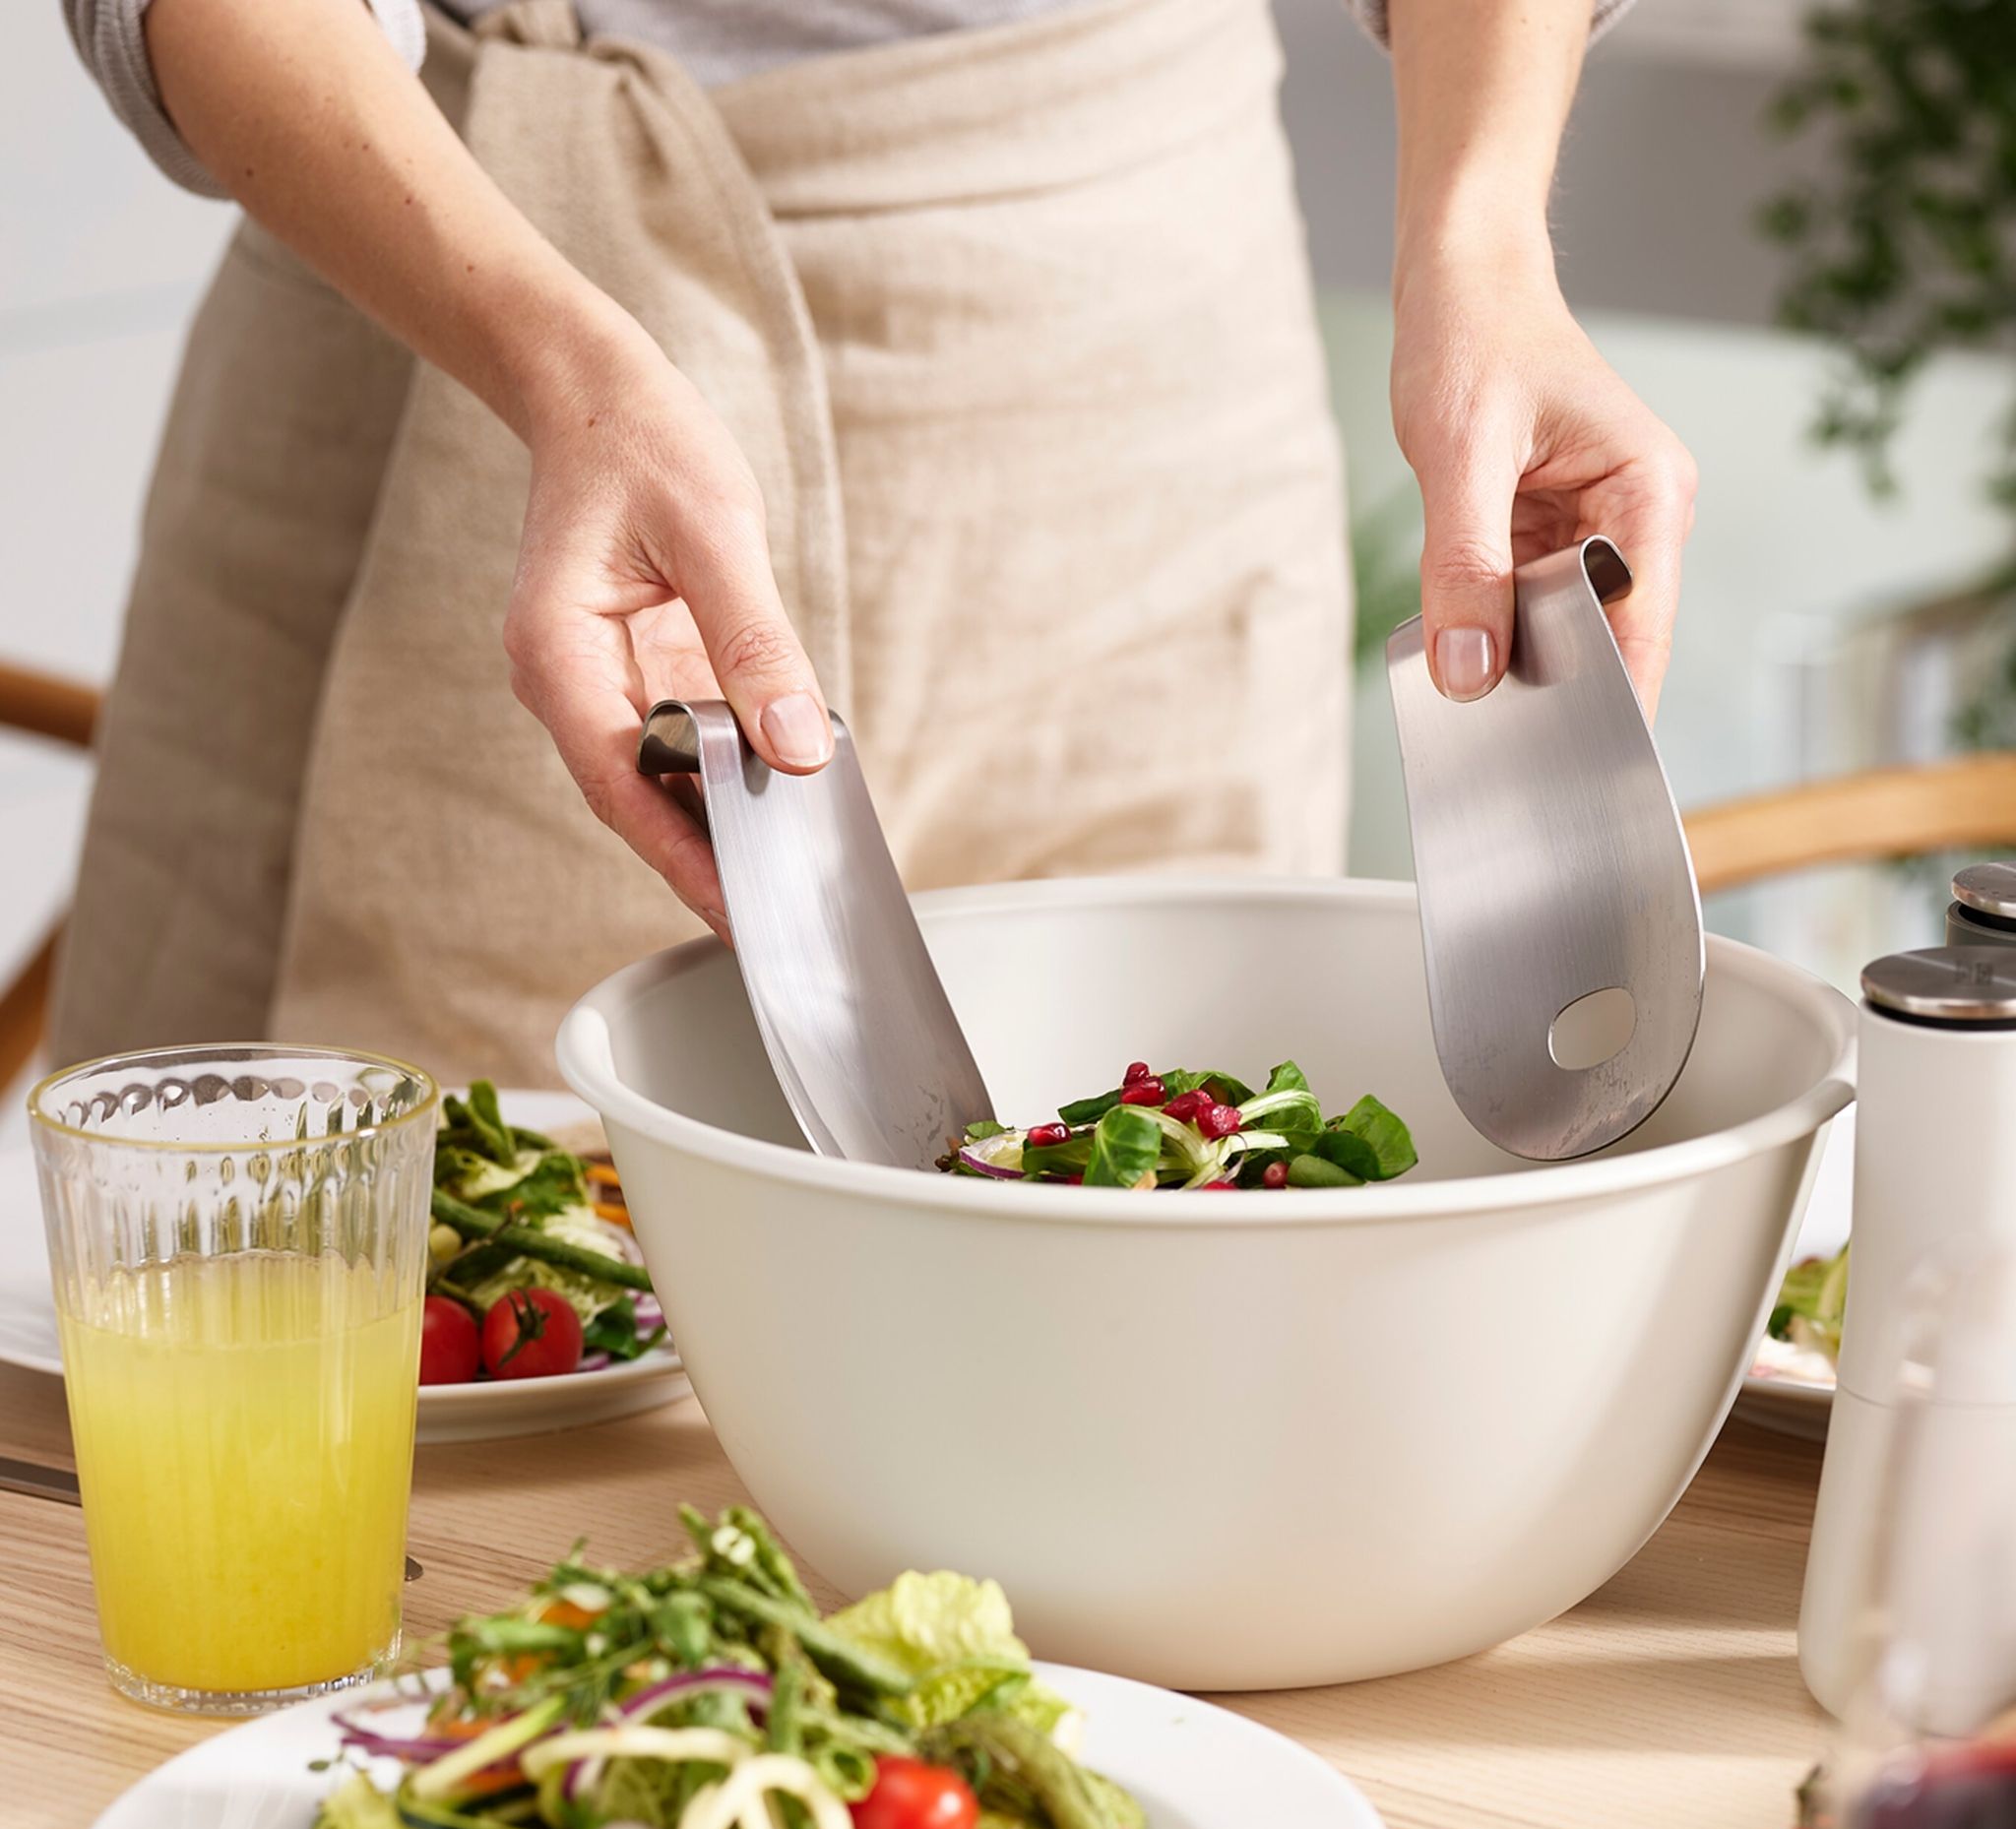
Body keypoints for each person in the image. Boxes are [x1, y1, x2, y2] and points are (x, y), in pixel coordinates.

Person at [54, 0, 1692, 1082]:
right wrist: (559, 369)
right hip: (443, 278)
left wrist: (1480, 235)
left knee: (1125, 1304)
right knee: (353, 1336)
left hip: (1127, 338)